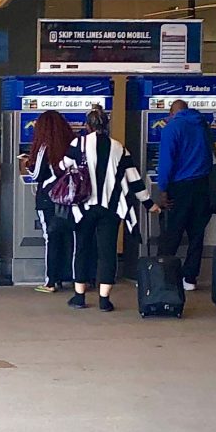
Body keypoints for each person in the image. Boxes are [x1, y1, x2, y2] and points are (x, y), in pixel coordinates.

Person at [63, 105, 153, 312]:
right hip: (111, 208)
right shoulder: (119, 148)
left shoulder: (79, 143)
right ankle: (104, 300)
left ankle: (79, 296)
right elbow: (134, 180)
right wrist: (149, 203)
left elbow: (62, 167)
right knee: (107, 251)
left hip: (83, 206)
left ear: (87, 125)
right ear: (107, 125)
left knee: (82, 249)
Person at [157, 99, 215, 291]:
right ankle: (190, 279)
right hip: (203, 185)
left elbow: (166, 162)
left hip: (180, 187)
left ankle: (162, 277)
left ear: (172, 112)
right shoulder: (202, 125)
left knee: (171, 232)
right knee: (197, 234)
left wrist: (163, 189)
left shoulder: (172, 128)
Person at [19, 110, 75, 293]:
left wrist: (26, 163)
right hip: (71, 198)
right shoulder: (72, 145)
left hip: (49, 199)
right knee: (70, 237)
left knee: (51, 238)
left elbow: (37, 174)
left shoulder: (45, 147)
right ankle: (75, 278)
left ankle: (51, 281)